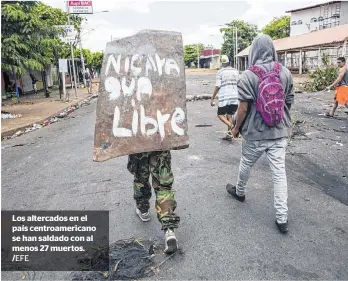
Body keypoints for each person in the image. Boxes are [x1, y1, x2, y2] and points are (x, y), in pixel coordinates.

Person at [227, 34, 294, 234]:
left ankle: (239, 192)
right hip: (279, 132)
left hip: (255, 134)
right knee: (279, 173)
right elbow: (288, 102)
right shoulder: (285, 73)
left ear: (254, 51)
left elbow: (243, 109)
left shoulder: (248, 75)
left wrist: (236, 128)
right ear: (272, 49)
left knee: (246, 164)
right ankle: (282, 218)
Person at [127, 151, 180, 254]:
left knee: (140, 179)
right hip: (159, 140)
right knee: (163, 185)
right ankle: (169, 230)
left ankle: (143, 210)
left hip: (139, 143)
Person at [210, 55, 239, 139]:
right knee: (229, 115)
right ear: (229, 62)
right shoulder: (236, 71)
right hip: (235, 96)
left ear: (222, 63)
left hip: (224, 97)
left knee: (220, 114)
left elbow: (217, 86)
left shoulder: (220, 72)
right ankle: (229, 134)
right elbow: (239, 84)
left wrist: (212, 98)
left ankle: (231, 125)